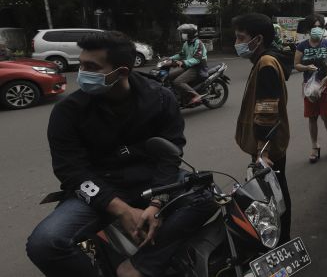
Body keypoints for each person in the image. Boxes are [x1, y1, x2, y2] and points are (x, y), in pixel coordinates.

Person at [26, 32, 217, 277]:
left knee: (209, 195)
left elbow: (170, 154)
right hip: (99, 187)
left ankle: (139, 266)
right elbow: (71, 171)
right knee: (45, 244)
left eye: (91, 67)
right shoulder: (68, 111)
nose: (81, 72)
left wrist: (158, 202)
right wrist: (121, 210)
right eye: (81, 64)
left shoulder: (160, 98)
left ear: (122, 72)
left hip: (151, 182)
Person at [233, 13, 293, 243]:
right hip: (268, 143)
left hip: (268, 146)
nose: (237, 43)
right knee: (274, 191)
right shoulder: (264, 60)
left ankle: (282, 239)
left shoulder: (266, 63)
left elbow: (267, 109)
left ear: (257, 40)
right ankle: (279, 237)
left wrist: (262, 151)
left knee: (275, 194)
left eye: (241, 38)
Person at [294, 14, 327, 163]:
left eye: (320, 26)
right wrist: (306, 66)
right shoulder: (302, 46)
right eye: (314, 26)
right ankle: (315, 146)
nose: (317, 29)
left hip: (325, 85)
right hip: (309, 87)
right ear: (309, 29)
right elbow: (296, 65)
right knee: (312, 117)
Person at [168, 24, 208, 105]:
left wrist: (183, 62)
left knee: (178, 81)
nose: (183, 34)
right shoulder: (186, 43)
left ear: (190, 34)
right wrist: (169, 58)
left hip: (198, 67)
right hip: (188, 66)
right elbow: (181, 55)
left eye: (184, 33)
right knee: (170, 75)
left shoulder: (198, 43)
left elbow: (197, 59)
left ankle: (196, 95)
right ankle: (179, 94)